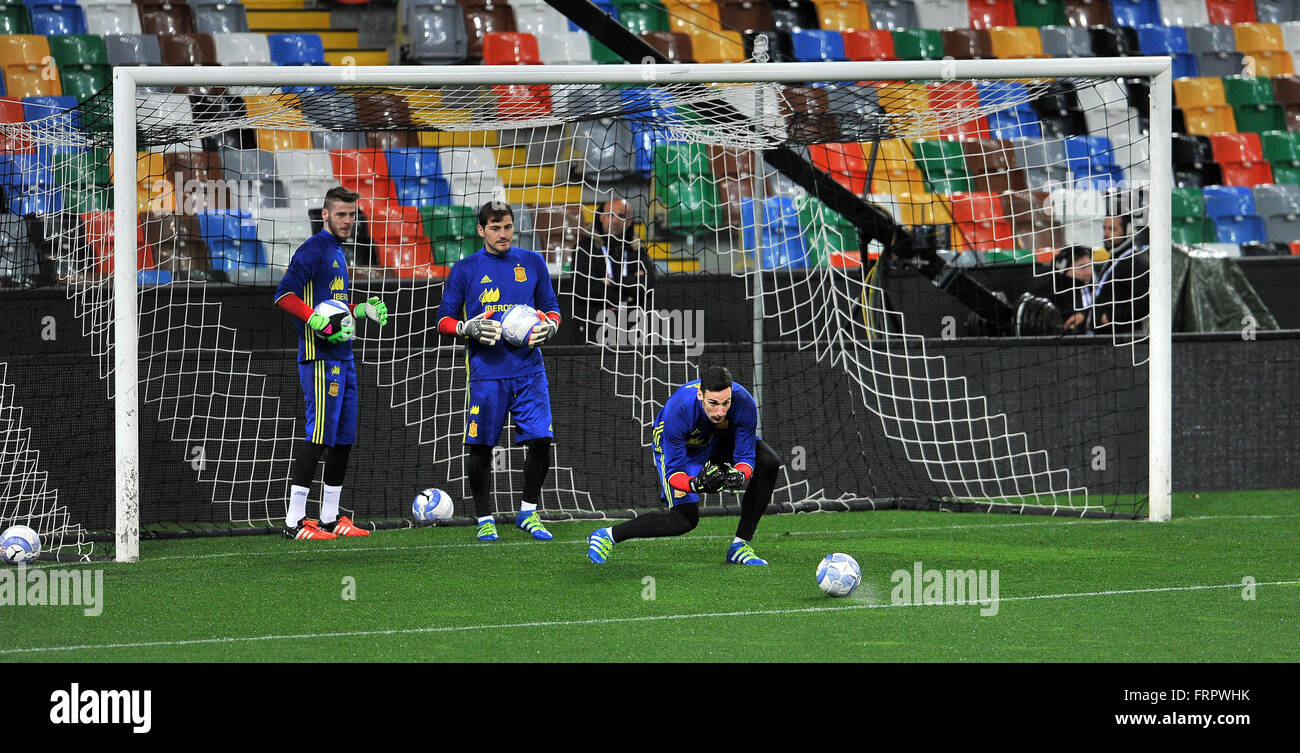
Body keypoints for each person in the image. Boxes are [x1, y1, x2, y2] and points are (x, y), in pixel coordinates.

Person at [434, 201, 562, 542]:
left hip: (530, 370)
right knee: (481, 446)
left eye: (507, 227)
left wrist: (551, 326)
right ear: (481, 230)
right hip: (487, 372)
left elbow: (551, 308)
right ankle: (484, 518)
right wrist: (466, 328)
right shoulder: (464, 269)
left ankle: (528, 512)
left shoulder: (532, 262)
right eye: (495, 228)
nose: (502, 234)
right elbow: (443, 319)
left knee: (540, 441)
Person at [273, 186, 390, 540]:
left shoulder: (339, 253)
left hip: (343, 356)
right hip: (320, 359)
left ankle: (329, 517)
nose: (348, 221)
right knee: (320, 435)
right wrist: (314, 321)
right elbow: (284, 293)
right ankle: (294, 521)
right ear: (325, 214)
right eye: (341, 214)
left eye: (352, 214)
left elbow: (336, 310)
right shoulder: (313, 250)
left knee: (342, 438)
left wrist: (362, 310)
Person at [586, 365, 781, 565]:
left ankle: (740, 546)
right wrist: (696, 484)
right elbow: (674, 473)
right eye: (713, 403)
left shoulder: (744, 403)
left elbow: (746, 458)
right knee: (684, 519)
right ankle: (607, 535)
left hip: (716, 439)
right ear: (700, 395)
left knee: (768, 461)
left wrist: (740, 475)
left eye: (726, 403)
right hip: (682, 450)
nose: (720, 411)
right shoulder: (678, 411)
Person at [571, 198, 656, 328]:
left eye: (621, 216)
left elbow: (649, 282)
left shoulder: (636, 248)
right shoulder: (585, 247)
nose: (615, 221)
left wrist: (613, 282)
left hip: (632, 325)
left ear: (630, 221)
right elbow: (584, 288)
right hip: (594, 325)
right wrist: (624, 297)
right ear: (601, 217)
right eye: (610, 215)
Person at [1036, 245, 1095, 334]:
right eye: (1082, 267)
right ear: (1064, 269)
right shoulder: (1052, 296)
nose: (1089, 272)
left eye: (1090, 266)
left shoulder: (1091, 288)